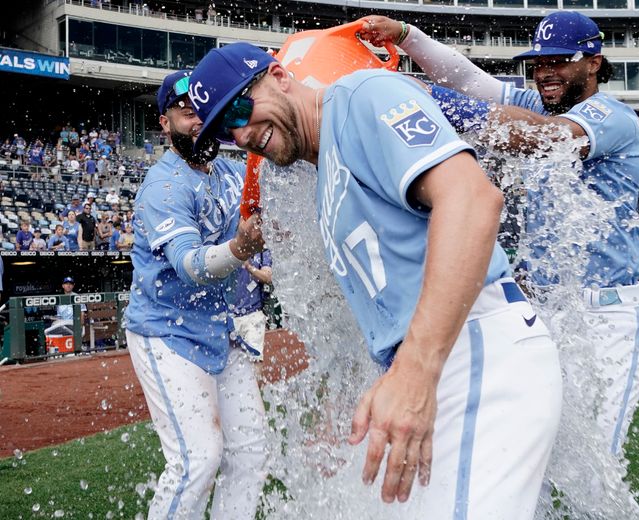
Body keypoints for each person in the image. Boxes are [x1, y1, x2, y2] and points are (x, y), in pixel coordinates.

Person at [190, 43, 561, 518]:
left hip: (476, 354)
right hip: (434, 364)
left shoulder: (364, 94)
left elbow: (472, 200)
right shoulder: (325, 168)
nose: (240, 133)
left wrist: (415, 373)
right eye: (225, 129)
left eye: (240, 106)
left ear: (280, 76)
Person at [359, 11, 639, 458]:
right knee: (535, 460)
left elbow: (545, 139)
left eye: (558, 61)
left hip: (608, 321)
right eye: (538, 64)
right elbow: (466, 78)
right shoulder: (538, 104)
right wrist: (407, 36)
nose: (544, 73)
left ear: (593, 62)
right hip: (550, 312)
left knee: (592, 467)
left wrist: (436, 101)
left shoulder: (611, 114)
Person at [123, 70, 268, 519]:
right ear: (164, 124)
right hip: (167, 332)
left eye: (200, 111)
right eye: (183, 111)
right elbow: (190, 266)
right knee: (197, 460)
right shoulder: (164, 186)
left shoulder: (228, 170)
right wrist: (241, 248)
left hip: (219, 330)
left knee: (251, 455)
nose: (195, 119)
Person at [232, 248, 273, 360]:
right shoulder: (227, 244)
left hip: (253, 315)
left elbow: (267, 277)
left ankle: (256, 378)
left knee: (256, 358)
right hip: (228, 317)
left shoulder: (262, 251)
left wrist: (249, 267)